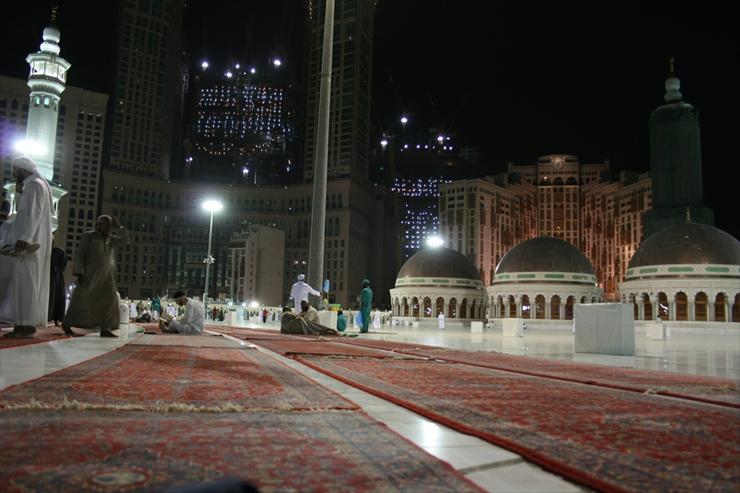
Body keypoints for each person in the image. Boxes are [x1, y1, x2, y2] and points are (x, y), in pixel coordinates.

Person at [1, 157, 53, 338]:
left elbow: (33, 213)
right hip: (27, 243)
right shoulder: (34, 185)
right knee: (22, 285)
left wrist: (25, 238)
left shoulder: (35, 185)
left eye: (16, 170)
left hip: (29, 245)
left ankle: (27, 326)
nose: (14, 173)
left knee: (27, 284)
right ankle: (21, 324)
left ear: (23, 169)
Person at [62, 215, 128, 337]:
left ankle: (105, 328)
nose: (108, 227)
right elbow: (81, 254)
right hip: (90, 275)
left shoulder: (111, 239)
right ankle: (67, 323)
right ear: (98, 224)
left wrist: (120, 227)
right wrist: (79, 272)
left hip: (107, 276)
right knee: (82, 301)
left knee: (110, 300)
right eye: (105, 224)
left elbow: (125, 240)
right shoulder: (89, 236)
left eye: (110, 224)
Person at [48, 240, 67, 326]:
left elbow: (62, 266)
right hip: (50, 278)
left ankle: (56, 319)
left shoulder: (58, 252)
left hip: (56, 278)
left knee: (56, 298)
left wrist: (56, 271)